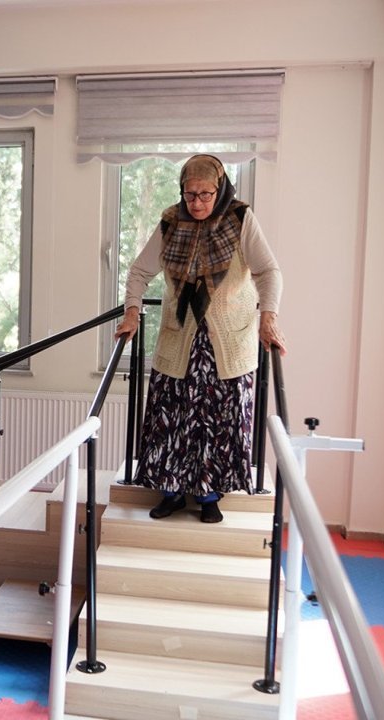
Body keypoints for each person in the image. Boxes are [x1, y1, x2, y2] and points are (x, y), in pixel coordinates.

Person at [114, 154, 286, 524]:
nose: (197, 203)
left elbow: (268, 272)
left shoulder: (240, 219)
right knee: (173, 417)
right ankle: (172, 493)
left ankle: (210, 496)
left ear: (220, 189)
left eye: (205, 194)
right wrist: (131, 312)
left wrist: (268, 318)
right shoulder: (171, 221)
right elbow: (139, 272)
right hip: (179, 342)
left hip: (228, 344)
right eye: (189, 194)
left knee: (218, 420)